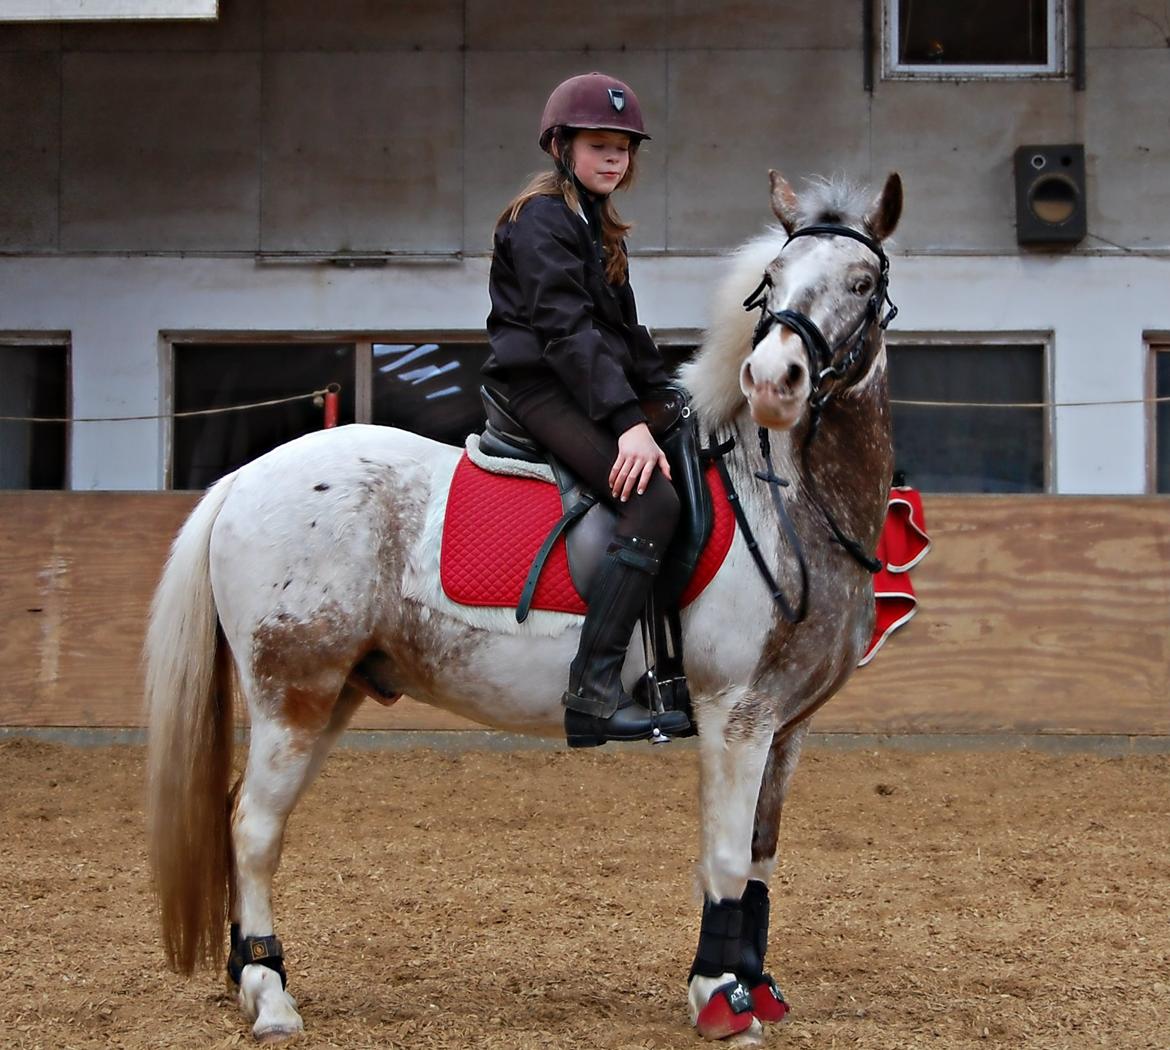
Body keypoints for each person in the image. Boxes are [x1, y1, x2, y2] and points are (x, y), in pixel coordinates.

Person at [483, 72, 691, 748]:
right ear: (561, 146)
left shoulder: (598, 226)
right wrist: (630, 424)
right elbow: (566, 332)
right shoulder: (541, 217)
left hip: (582, 384)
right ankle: (594, 692)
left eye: (623, 149)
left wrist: (674, 393)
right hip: (539, 388)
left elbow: (625, 337)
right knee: (653, 502)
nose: (613, 159)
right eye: (599, 145)